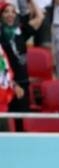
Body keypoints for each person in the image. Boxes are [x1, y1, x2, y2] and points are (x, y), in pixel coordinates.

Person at [0, 0, 44, 131]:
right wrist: (11, 83)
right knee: (6, 123)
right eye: (6, 12)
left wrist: (31, 2)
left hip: (23, 84)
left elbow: (40, 17)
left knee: (22, 124)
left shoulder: (20, 31)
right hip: (7, 85)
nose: (10, 15)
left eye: (13, 12)